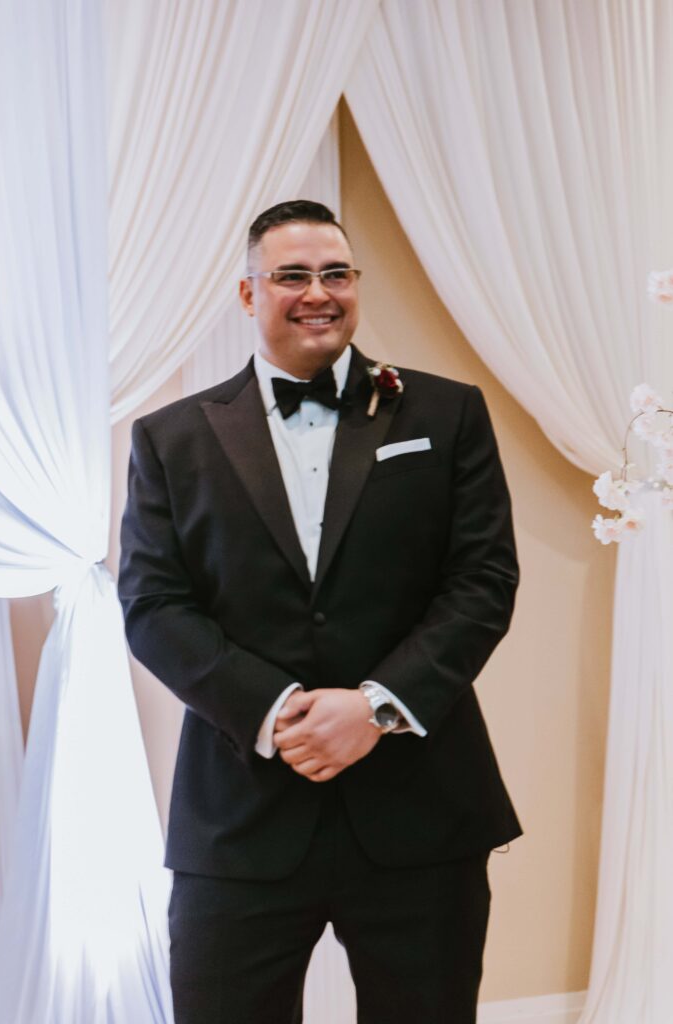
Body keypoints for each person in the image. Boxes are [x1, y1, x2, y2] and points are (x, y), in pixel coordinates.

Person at [118, 199, 522, 1024]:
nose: (318, 292)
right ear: (247, 294)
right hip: (239, 813)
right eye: (291, 275)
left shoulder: (446, 414)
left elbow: (481, 580)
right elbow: (153, 604)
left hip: (421, 809)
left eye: (335, 273)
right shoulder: (170, 438)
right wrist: (276, 711)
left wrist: (374, 708)